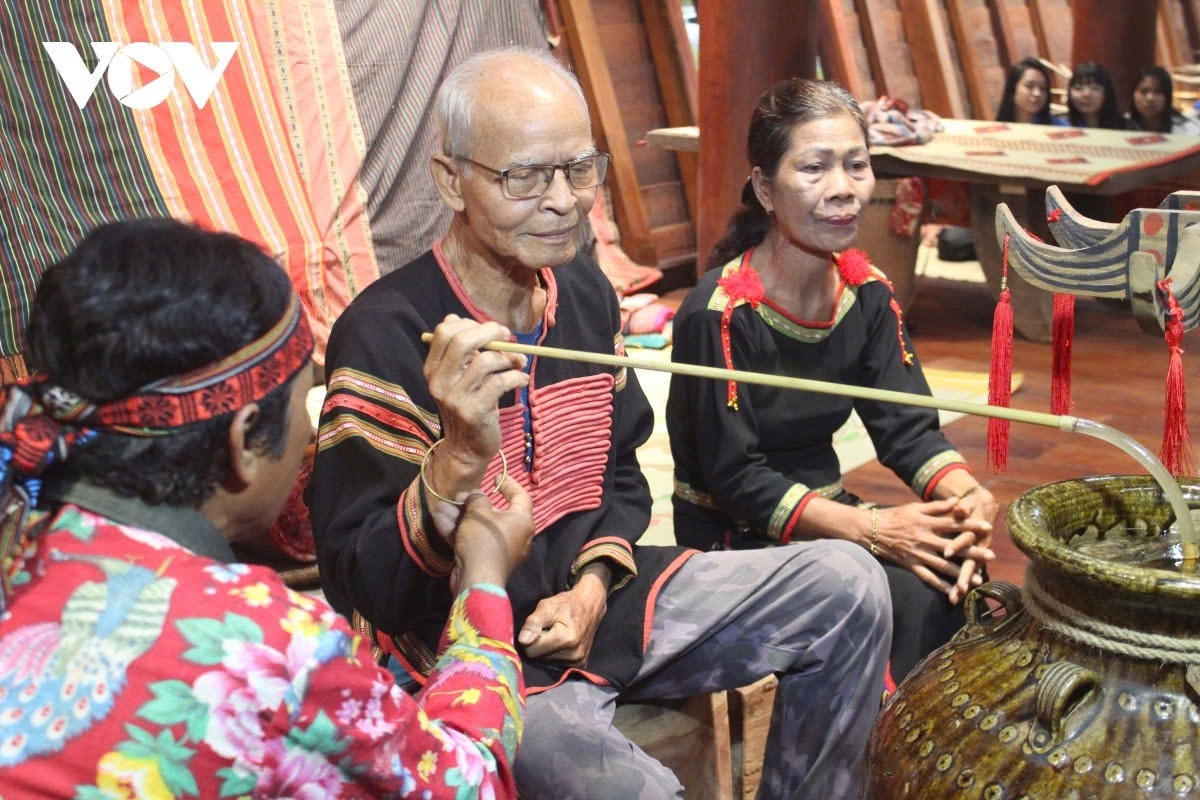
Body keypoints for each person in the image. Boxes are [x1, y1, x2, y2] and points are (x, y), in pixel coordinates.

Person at [308, 47, 891, 799]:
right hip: (470, 647)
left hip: (598, 605)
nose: (562, 200)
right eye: (524, 177)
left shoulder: (583, 292)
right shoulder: (387, 333)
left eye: (580, 169)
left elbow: (619, 473)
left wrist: (588, 586)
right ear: (450, 181)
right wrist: (454, 456)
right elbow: (365, 585)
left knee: (847, 583)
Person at [0, 219, 533, 799]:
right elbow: (468, 784)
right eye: (304, 395)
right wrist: (483, 584)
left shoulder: (19, 523)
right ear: (244, 440)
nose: (308, 422)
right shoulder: (267, 648)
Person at [666, 78, 998, 682]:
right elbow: (735, 479)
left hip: (828, 515)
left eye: (857, 165)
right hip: (732, 537)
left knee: (960, 579)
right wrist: (876, 530)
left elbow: (909, 429)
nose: (843, 189)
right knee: (886, 592)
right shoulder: (717, 316)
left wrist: (962, 496)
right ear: (765, 188)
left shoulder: (866, 296)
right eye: (814, 168)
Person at [1126, 65, 1200, 135]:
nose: (1150, 98)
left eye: (1158, 91)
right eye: (1144, 91)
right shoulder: (1121, 126)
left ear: (1167, 96)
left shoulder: (1190, 131)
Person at [995, 57, 1064, 125]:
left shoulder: (1059, 128)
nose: (1037, 93)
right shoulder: (996, 131)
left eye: (1043, 88)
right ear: (1013, 88)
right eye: (1029, 86)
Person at [1063, 61, 1124, 129]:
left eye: (1095, 87)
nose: (1086, 94)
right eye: (1078, 88)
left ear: (1107, 92)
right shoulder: (1061, 127)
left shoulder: (1127, 128)